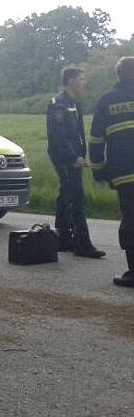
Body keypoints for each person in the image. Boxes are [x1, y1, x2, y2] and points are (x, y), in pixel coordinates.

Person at [46, 67, 104, 258]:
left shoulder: (72, 103)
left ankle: (63, 239)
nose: (84, 82)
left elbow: (76, 134)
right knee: (76, 196)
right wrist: (73, 158)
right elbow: (60, 136)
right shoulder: (59, 104)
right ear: (71, 80)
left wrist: (80, 154)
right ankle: (82, 243)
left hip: (72, 155)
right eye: (81, 78)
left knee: (66, 194)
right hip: (64, 157)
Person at [89, 56, 134, 287]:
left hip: (125, 174)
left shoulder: (107, 101)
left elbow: (96, 140)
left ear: (118, 75)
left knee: (131, 221)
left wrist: (98, 170)